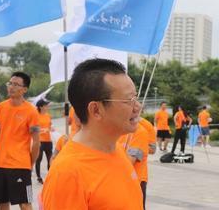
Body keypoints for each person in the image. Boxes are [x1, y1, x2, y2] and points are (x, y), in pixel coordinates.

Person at [42, 58, 143, 209]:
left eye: (136, 97)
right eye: (129, 100)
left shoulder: (118, 151)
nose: (138, 106)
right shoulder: (68, 173)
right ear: (96, 110)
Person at [0, 72, 40, 210]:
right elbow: (2, 132)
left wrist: (30, 163)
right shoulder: (0, 108)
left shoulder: (31, 111)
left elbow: (36, 142)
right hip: (0, 163)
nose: (11, 87)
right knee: (1, 201)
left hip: (20, 165)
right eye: (10, 83)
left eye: (16, 84)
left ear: (24, 89)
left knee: (25, 203)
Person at [118, 123, 149, 209]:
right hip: (118, 181)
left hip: (136, 182)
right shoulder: (116, 130)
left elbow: (130, 161)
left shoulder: (140, 132)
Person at [35, 99, 53, 184]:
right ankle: (39, 177)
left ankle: (50, 176)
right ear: (41, 107)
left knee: (50, 159)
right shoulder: (36, 116)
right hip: (40, 140)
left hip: (48, 140)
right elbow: (34, 129)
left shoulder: (48, 115)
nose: (47, 107)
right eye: (46, 105)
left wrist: (50, 129)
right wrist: (42, 130)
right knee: (39, 158)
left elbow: (49, 126)